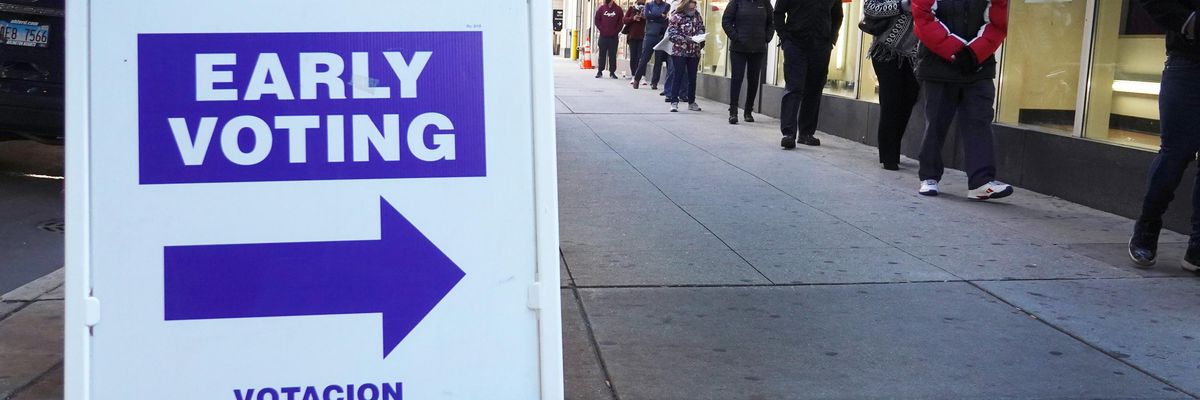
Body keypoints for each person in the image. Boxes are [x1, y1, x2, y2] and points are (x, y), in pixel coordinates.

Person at [910, 0, 1013, 200]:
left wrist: (973, 53)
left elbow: (997, 22)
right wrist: (956, 51)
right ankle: (929, 177)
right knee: (936, 123)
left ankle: (981, 182)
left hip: (978, 65)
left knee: (979, 122)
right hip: (938, 65)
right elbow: (923, 18)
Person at [1128, 0, 1200, 271]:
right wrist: (1190, 22)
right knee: (1175, 155)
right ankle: (1146, 229)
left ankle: (1197, 248)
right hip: (1188, 64)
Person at [774, 0, 842, 148]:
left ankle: (806, 133)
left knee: (815, 88)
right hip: (795, 43)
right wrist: (784, 38)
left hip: (821, 45)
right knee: (794, 87)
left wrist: (831, 39)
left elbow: (837, 15)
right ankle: (788, 133)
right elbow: (778, 12)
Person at [864, 0, 921, 170]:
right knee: (891, 101)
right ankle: (889, 156)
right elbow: (870, 7)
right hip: (885, 51)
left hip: (915, 56)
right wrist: (900, 5)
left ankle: (893, 148)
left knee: (909, 100)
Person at [721, 0, 774, 125]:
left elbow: (772, 21)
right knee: (737, 79)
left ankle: (748, 111)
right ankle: (733, 112)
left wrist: (767, 37)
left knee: (754, 79)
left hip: (758, 48)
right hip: (738, 49)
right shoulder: (736, 2)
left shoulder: (765, 2)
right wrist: (736, 37)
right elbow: (726, 21)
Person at [666, 0, 705, 112]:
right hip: (680, 52)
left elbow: (701, 27)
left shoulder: (697, 16)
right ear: (687, 3)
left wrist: (701, 34)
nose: (694, 5)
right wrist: (684, 39)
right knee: (678, 75)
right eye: (692, 2)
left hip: (694, 52)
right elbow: (672, 33)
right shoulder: (677, 16)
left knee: (692, 78)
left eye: (695, 3)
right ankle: (674, 101)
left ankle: (691, 102)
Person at [633, 0, 671, 90]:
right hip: (650, 35)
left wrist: (654, 17)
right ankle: (637, 79)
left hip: (660, 35)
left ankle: (654, 82)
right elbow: (647, 16)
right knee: (644, 58)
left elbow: (663, 17)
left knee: (658, 61)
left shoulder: (666, 5)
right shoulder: (648, 5)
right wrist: (658, 16)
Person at [594, 0, 625, 79]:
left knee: (612, 55)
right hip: (603, 36)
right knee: (602, 54)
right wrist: (601, 29)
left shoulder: (618, 9)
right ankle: (600, 71)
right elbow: (597, 20)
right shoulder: (601, 9)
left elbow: (621, 22)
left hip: (613, 37)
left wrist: (616, 31)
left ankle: (612, 72)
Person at [624, 1, 648, 88]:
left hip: (643, 36)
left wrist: (643, 17)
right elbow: (625, 20)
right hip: (632, 37)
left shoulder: (647, 8)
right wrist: (633, 18)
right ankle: (634, 75)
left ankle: (642, 77)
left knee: (642, 57)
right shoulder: (632, 9)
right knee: (633, 57)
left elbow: (651, 20)